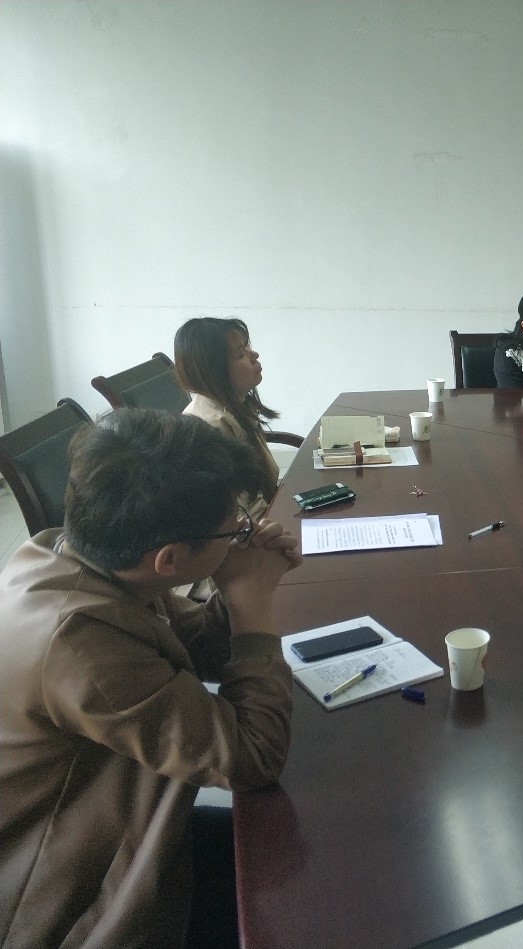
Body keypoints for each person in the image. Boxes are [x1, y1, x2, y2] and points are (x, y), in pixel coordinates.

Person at [0, 409, 302, 947]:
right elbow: (253, 756)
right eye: (234, 526)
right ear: (169, 560)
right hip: (75, 898)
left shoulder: (77, 554)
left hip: (116, 830)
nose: (244, 530)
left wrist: (236, 589)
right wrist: (253, 605)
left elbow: (187, 648)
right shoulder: (82, 644)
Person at [175, 316, 283, 513]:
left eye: (247, 347)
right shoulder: (214, 426)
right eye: (241, 354)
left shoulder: (237, 405)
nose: (254, 355)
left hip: (268, 507)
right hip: (252, 525)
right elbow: (242, 513)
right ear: (214, 372)